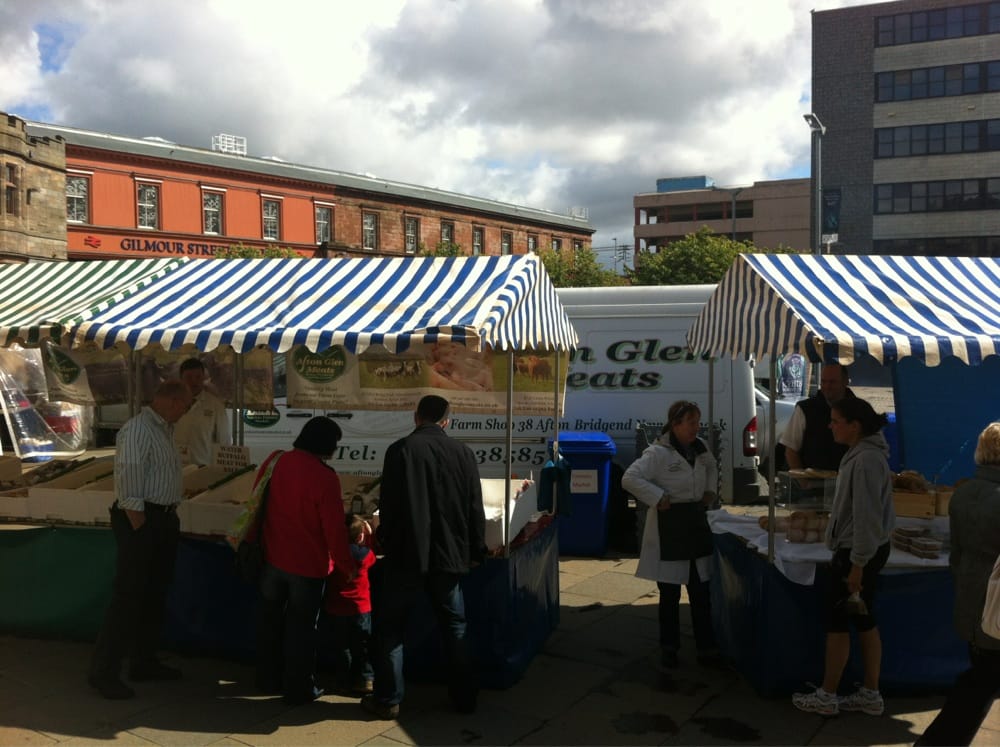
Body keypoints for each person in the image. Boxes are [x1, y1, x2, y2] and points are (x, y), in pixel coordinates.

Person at [362, 395, 487, 719]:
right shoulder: (463, 453)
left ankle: (389, 698)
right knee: (455, 627)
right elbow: (475, 508)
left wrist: (385, 539)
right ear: (447, 420)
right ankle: (464, 698)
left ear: (416, 417)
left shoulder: (400, 450)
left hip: (406, 555)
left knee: (390, 629)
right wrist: (476, 550)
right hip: (448, 555)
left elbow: (388, 505)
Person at [88, 379, 194, 700]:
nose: (186, 411)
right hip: (143, 519)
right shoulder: (138, 429)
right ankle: (103, 672)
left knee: (154, 594)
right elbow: (129, 482)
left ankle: (143, 661)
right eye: (185, 406)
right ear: (172, 402)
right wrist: (141, 526)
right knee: (129, 597)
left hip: (161, 517)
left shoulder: (163, 428)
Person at [792, 397, 895, 717]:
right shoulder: (862, 454)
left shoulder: (865, 460)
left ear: (855, 426)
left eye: (836, 421)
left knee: (838, 623)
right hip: (860, 549)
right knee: (864, 618)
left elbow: (867, 516)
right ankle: (870, 692)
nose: (830, 425)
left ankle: (829, 694)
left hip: (856, 551)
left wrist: (858, 565)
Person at [255, 416, 356, 706]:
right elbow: (334, 529)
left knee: (269, 623)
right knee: (301, 630)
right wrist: (346, 565)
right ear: (325, 444)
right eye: (335, 443)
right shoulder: (325, 477)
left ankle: (266, 678)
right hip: (307, 566)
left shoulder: (281, 462)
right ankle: (299, 688)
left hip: (273, 558)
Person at [915, 423, 1000, 745]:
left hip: (971, 603)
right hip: (994, 609)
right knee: (979, 683)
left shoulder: (963, 493)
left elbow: (957, 554)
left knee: (981, 678)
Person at [621, 399, 719, 670]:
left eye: (698, 422)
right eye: (690, 423)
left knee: (701, 592)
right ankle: (669, 649)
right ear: (675, 424)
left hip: (696, 524)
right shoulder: (658, 453)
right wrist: (658, 497)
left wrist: (710, 491)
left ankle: (707, 648)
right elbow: (629, 478)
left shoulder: (701, 448)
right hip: (670, 527)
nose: (695, 428)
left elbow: (711, 467)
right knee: (670, 594)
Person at [321, 513, 377, 696]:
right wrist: (370, 535)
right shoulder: (365, 555)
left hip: (337, 606)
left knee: (342, 646)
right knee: (362, 644)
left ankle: (343, 680)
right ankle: (365, 678)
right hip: (360, 607)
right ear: (360, 535)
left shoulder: (334, 554)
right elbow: (373, 554)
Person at [780, 363, 856, 470]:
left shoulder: (858, 409)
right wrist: (803, 482)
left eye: (832, 382)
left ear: (845, 382)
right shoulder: (805, 409)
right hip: (813, 483)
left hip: (849, 482)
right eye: (824, 381)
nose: (827, 386)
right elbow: (791, 449)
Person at [173, 357, 231, 466]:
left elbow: (224, 443)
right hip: (173, 468)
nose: (194, 381)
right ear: (181, 378)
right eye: (189, 377)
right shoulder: (170, 403)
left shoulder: (215, 406)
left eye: (198, 377)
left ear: (203, 377)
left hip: (203, 470)